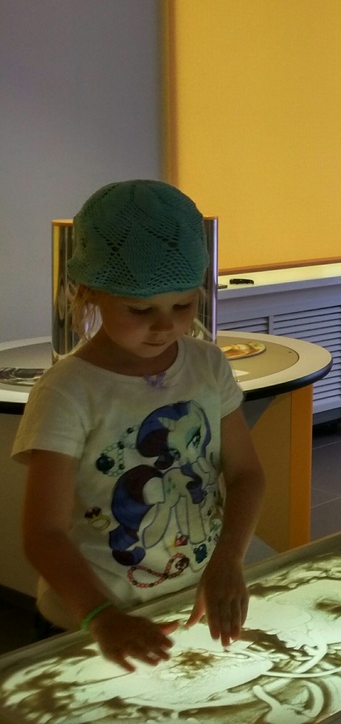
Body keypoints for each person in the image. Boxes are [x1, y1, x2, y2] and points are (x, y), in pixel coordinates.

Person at [13, 180, 265, 671]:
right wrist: (100, 616)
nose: (165, 325)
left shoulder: (208, 365)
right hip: (92, 620)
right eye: (140, 310)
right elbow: (43, 533)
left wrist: (228, 560)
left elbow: (247, 475)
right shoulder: (67, 390)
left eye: (183, 306)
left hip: (193, 600)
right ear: (88, 294)